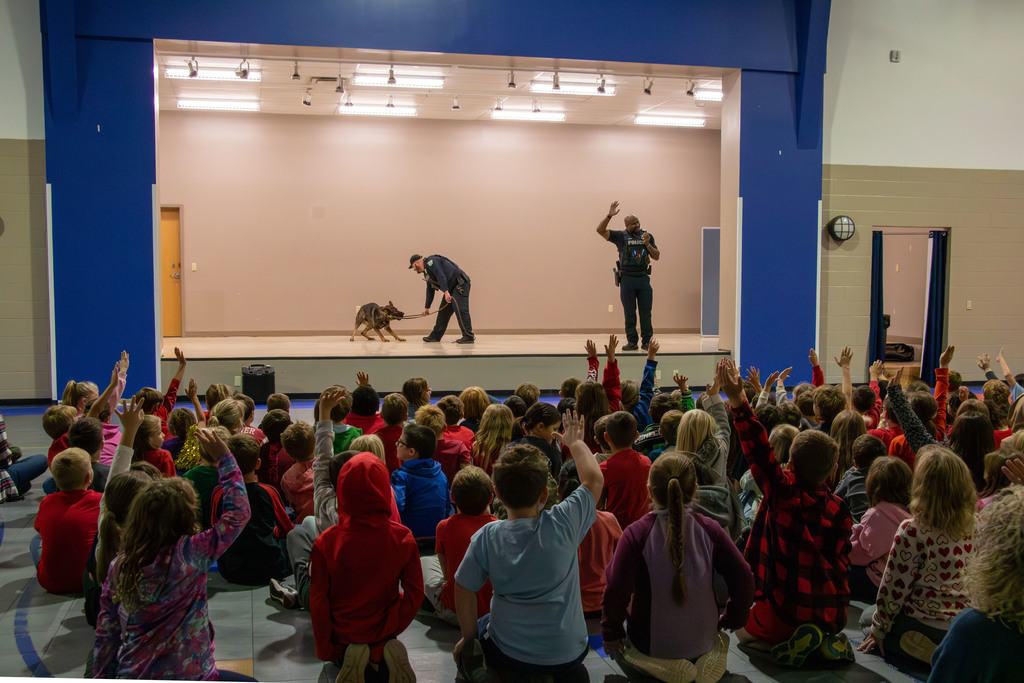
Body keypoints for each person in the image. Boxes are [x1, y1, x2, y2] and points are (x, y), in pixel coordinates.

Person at [93, 428, 255, 680]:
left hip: (136, 673)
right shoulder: (193, 553)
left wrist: (101, 677)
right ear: (187, 516)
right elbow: (238, 514)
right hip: (193, 674)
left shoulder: (118, 566)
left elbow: (106, 635)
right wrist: (225, 459)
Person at [453, 410, 603, 682]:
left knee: (465, 644)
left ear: (496, 493)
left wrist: (468, 639)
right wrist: (577, 443)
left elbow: (463, 587)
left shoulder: (488, 536)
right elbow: (593, 480)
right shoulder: (564, 522)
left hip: (510, 654)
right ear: (544, 494)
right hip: (570, 653)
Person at [602, 453, 754, 683]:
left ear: (650, 491)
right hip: (704, 644)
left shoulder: (635, 534)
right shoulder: (710, 529)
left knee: (622, 649)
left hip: (650, 648)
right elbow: (744, 578)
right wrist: (733, 616)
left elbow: (615, 589)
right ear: (694, 490)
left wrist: (611, 632)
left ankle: (651, 672)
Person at [595, 201, 660, 351]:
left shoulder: (647, 236)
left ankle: (646, 342)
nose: (636, 225)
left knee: (645, 313)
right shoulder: (620, 237)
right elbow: (600, 230)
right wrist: (609, 215)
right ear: (626, 226)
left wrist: (648, 244)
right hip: (627, 280)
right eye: (632, 224)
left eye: (637, 222)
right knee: (629, 313)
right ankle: (632, 342)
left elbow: (656, 256)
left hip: (643, 279)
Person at [409, 253, 475, 343]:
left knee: (460, 310)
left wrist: (446, 292)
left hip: (459, 284)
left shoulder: (431, 262)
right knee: (443, 312)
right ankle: (435, 336)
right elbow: (430, 290)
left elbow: (441, 275)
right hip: (450, 289)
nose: (414, 269)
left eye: (413, 267)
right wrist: (427, 307)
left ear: (416, 263)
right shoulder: (427, 272)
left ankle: (468, 336)